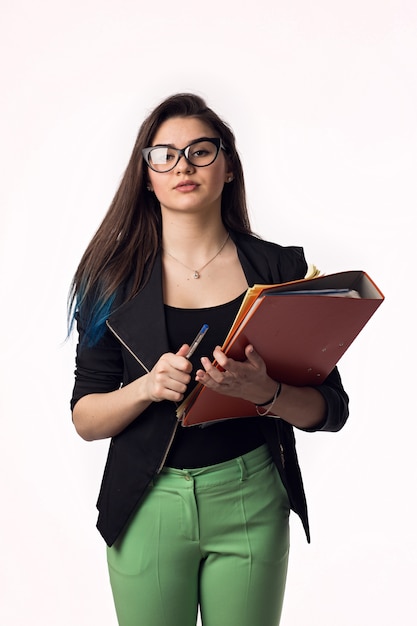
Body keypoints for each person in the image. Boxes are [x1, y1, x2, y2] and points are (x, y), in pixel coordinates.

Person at [69, 93, 349, 626]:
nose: (183, 166)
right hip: (148, 504)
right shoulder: (110, 279)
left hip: (251, 498)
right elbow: (85, 417)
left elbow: (330, 410)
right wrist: (148, 388)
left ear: (228, 168)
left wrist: (265, 393)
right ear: (145, 174)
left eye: (201, 151)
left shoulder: (281, 269)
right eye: (165, 154)